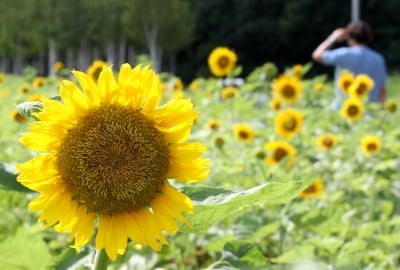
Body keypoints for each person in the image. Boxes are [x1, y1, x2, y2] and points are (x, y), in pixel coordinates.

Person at [311, 20, 387, 109]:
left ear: (348, 36)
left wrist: (333, 38)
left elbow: (316, 55)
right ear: (369, 37)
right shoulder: (378, 59)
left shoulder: (344, 54)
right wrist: (383, 112)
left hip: (343, 109)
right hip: (369, 111)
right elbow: (382, 90)